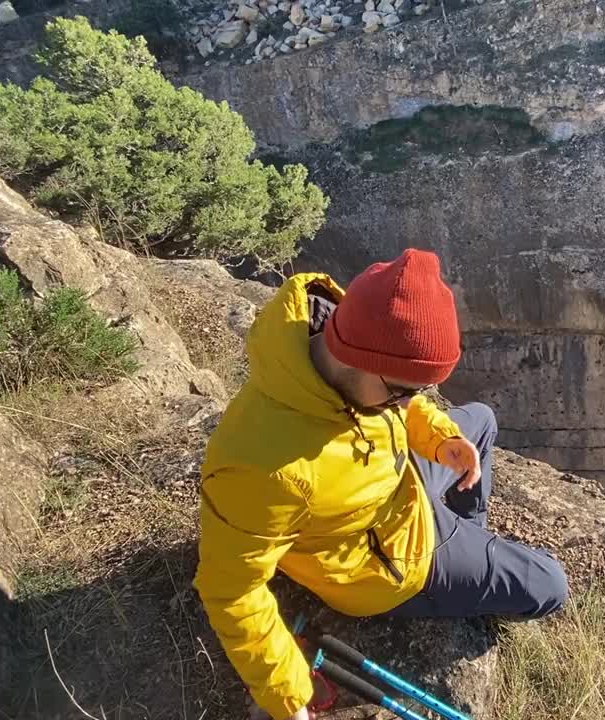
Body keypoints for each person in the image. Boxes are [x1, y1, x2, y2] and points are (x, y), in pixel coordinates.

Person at [193, 248, 569, 719]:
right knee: (551, 584)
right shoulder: (264, 469)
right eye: (402, 390)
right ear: (359, 360)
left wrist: (439, 438)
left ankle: (467, 541)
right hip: (392, 565)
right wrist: (289, 696)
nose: (409, 402)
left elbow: (398, 408)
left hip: (395, 484)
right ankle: (457, 561)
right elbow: (231, 590)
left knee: (480, 422)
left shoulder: (347, 340)